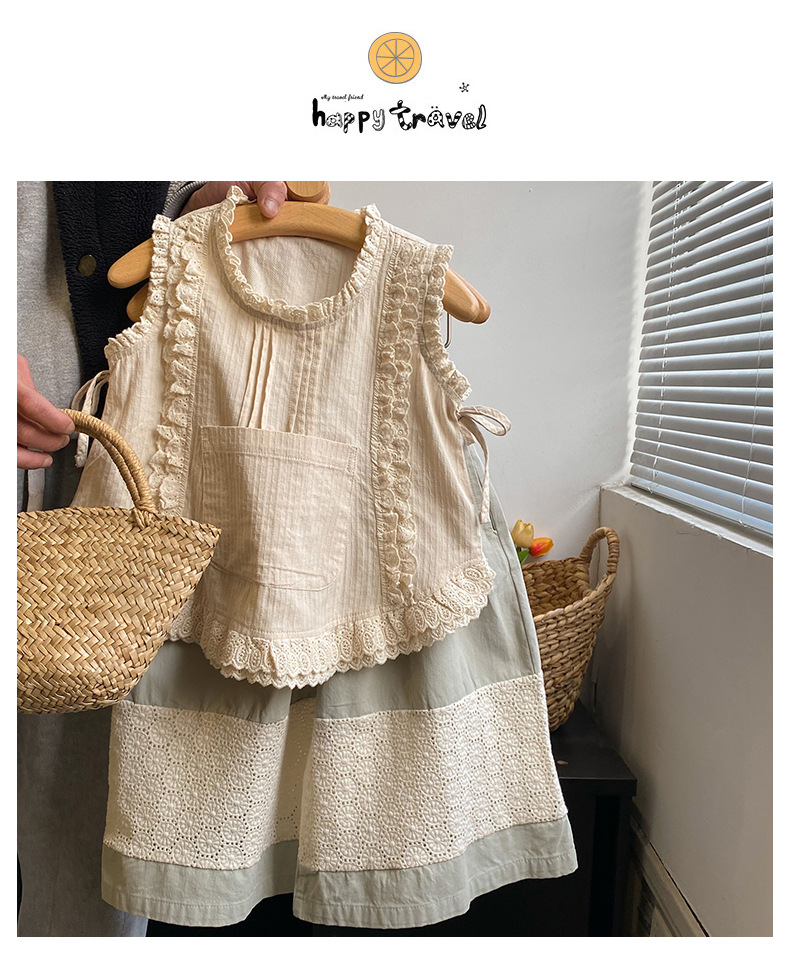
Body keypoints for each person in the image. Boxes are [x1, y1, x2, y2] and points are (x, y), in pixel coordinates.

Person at [17, 181, 290, 937]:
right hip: (63, 449)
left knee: (82, 878)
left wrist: (210, 192)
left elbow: (174, 191)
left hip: (105, 485)